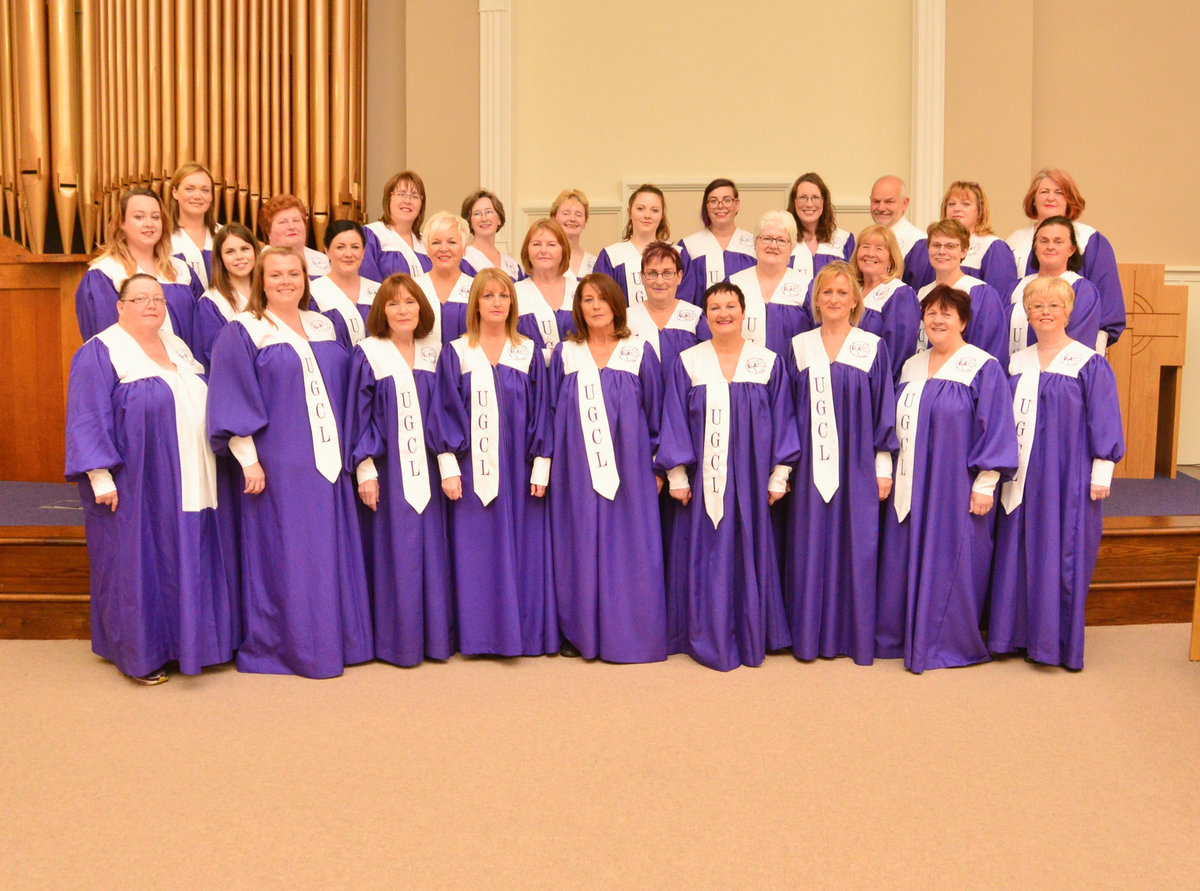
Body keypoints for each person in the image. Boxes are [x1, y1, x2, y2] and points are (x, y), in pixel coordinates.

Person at [206, 247, 373, 678]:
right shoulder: (244, 330)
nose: (285, 281)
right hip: (280, 462)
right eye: (276, 274)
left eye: (293, 273)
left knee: (330, 549)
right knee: (291, 554)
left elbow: (349, 387)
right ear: (261, 280)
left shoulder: (325, 324)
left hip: (330, 459)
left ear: (305, 277)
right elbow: (231, 391)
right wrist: (248, 460)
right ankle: (291, 647)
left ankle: (339, 642)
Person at [66, 274, 235, 684]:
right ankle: (141, 654)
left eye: (157, 298)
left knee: (187, 552)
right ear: (119, 305)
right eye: (139, 298)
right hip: (137, 481)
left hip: (192, 473)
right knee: (138, 561)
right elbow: (87, 415)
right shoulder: (101, 350)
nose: (151, 305)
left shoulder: (176, 345)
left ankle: (194, 645)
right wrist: (100, 476)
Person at [876, 284, 1018, 673]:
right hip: (910, 480)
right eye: (931, 313)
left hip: (952, 484)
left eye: (947, 314)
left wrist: (986, 483)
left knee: (951, 559)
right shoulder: (910, 365)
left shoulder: (981, 365)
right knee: (903, 553)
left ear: (964, 321)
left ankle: (945, 643)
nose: (937, 320)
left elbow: (997, 427)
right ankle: (902, 636)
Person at [656, 281, 798, 670]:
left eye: (730, 306)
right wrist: (678, 475)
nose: (723, 314)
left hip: (752, 477)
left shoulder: (767, 361)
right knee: (705, 550)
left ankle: (750, 630)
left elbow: (785, 417)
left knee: (748, 547)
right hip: (703, 479)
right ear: (705, 316)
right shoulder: (689, 361)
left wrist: (779, 474)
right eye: (715, 307)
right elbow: (674, 418)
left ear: (743, 311)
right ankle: (701, 632)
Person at [989, 276, 1124, 670]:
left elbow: (1105, 418)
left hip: (1068, 475)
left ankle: (1054, 643)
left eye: (1054, 306)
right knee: (1016, 549)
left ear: (1069, 311)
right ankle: (1010, 636)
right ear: (1026, 313)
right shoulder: (1014, 362)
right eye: (1037, 306)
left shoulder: (1087, 362)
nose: (1045, 312)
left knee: (1059, 552)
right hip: (1021, 475)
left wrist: (1102, 471)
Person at [431, 268, 555, 656]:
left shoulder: (528, 351)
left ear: (512, 303)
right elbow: (444, 411)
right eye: (488, 296)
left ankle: (524, 635)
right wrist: (449, 468)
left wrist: (541, 466)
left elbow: (543, 412)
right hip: (470, 472)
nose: (497, 303)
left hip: (520, 470)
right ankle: (479, 636)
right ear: (476, 304)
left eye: (503, 296)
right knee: (475, 552)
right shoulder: (456, 351)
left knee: (524, 551)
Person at [547, 273, 667, 663]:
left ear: (617, 304)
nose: (595, 306)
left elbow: (658, 412)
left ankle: (628, 633)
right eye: (586, 300)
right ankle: (579, 633)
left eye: (602, 299)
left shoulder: (639, 351)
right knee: (577, 545)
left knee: (628, 548)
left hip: (630, 469)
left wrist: (658, 467)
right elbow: (548, 413)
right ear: (578, 308)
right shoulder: (565, 354)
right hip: (574, 470)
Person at [784, 262, 896, 665]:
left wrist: (883, 466)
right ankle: (809, 636)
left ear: (855, 301)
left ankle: (853, 636)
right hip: (811, 465)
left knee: (857, 546)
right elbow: (786, 413)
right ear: (816, 299)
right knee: (809, 546)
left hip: (858, 465)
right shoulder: (799, 346)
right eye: (826, 292)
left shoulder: (871, 346)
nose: (833, 299)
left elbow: (885, 407)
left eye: (841, 293)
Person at [346, 274, 454, 666]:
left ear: (421, 308)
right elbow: (358, 416)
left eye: (410, 302)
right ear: (382, 310)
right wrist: (365, 471)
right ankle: (398, 644)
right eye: (393, 304)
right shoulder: (369, 353)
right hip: (388, 474)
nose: (403, 310)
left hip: (429, 469)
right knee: (396, 550)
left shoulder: (434, 352)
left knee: (431, 550)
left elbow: (444, 410)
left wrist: (447, 464)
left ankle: (435, 640)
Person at [1006, 168, 1124, 348]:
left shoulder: (1089, 239)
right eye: (1044, 192)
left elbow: (1108, 300)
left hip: (1073, 338)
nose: (1050, 198)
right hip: (1019, 338)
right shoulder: (1015, 241)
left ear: (1070, 200)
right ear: (1033, 199)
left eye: (1059, 192)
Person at [75, 187, 203, 348]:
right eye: (139, 217)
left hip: (183, 368)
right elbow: (105, 340)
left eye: (155, 217)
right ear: (122, 223)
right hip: (133, 370)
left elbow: (200, 331)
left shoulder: (181, 271)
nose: (149, 224)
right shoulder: (105, 273)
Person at [717, 211, 813, 356]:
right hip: (741, 373)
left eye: (781, 240)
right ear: (755, 242)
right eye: (767, 238)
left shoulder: (806, 287)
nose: (773, 245)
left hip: (791, 374)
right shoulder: (734, 284)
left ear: (791, 247)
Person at [916, 219, 1008, 365]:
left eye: (950, 246)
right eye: (936, 245)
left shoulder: (981, 294)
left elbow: (991, 349)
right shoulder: (921, 293)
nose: (942, 251)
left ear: (964, 251)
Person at [1006, 216, 1102, 356]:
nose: (1050, 246)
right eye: (1044, 241)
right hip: (1015, 370)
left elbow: (1078, 342)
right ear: (1035, 247)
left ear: (1071, 249)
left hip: (1059, 373)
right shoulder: (1015, 288)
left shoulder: (1082, 290)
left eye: (1058, 242)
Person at [851, 224, 921, 380]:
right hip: (848, 379)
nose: (870, 253)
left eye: (879, 249)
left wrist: (881, 388)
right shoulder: (851, 291)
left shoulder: (899, 294)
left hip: (877, 384)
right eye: (865, 246)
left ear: (891, 259)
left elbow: (900, 352)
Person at [625, 241, 702, 378]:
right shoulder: (627, 319)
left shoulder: (696, 318)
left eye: (667, 273)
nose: (659, 281)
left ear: (679, 277)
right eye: (652, 273)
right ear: (642, 277)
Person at [677, 178, 756, 304]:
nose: (720, 205)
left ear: (737, 204)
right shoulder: (689, 246)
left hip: (747, 321)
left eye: (727, 200)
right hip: (702, 322)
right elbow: (684, 296)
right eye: (713, 201)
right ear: (706, 206)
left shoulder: (754, 245)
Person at [194, 222, 259, 368]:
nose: (239, 256)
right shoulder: (212, 303)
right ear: (220, 258)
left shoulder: (270, 292)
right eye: (230, 252)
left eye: (245, 249)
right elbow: (217, 357)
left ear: (255, 251)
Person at [308, 220, 381, 349]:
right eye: (340, 247)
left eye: (355, 247)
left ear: (363, 251)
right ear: (327, 250)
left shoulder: (379, 291)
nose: (348, 254)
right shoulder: (313, 293)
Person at [593, 184, 670, 305]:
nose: (647, 215)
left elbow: (684, 300)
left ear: (662, 215)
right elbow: (603, 301)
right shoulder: (611, 257)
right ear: (630, 212)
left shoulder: (677, 254)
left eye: (654, 210)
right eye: (640, 209)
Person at [940, 180, 1018, 300]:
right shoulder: (937, 248)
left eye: (965, 204)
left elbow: (999, 299)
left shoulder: (993, 247)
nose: (957, 209)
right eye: (951, 204)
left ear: (980, 211)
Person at [515, 218, 576, 365]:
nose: (543, 250)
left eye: (551, 244)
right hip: (531, 380)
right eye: (536, 244)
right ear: (527, 250)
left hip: (575, 380)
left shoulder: (581, 291)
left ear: (563, 250)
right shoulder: (513, 293)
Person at [415, 211, 474, 344]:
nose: (443, 248)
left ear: (464, 248)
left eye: (452, 242)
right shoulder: (413, 288)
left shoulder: (476, 289)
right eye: (436, 243)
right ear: (427, 249)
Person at [362, 170, 432, 282]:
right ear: (388, 199)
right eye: (401, 194)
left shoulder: (427, 243)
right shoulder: (372, 235)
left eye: (414, 196)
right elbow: (367, 283)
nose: (407, 201)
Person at [787, 172, 855, 281]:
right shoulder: (783, 240)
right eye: (803, 197)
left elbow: (853, 284)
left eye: (815, 197)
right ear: (794, 202)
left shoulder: (844, 240)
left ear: (823, 201)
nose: (809, 204)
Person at [869, 175, 933, 290]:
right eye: (876, 201)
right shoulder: (868, 238)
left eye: (889, 202)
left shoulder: (918, 244)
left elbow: (919, 295)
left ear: (905, 203)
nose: (881, 208)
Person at [168, 162, 218, 288]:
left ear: (211, 195)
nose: (197, 196)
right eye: (189, 189)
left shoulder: (225, 235)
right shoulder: (163, 237)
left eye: (205, 190)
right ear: (175, 192)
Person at [258, 193, 331, 279]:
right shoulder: (258, 262)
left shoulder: (323, 260)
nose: (292, 227)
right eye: (283, 222)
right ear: (268, 230)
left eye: (296, 220)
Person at [460, 189, 523, 280]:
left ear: (499, 219)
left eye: (489, 212)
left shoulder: (512, 265)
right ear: (469, 222)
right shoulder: (463, 259)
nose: (484, 218)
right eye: (477, 214)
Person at [551, 188, 596, 277]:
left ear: (585, 222)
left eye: (578, 215)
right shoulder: (544, 259)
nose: (572, 219)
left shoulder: (595, 263)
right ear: (553, 218)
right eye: (566, 213)